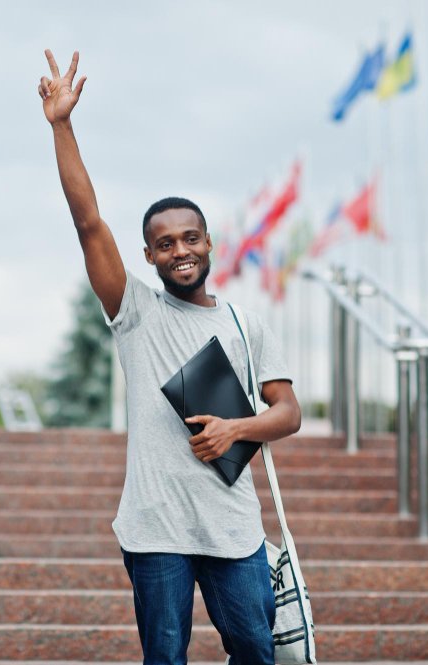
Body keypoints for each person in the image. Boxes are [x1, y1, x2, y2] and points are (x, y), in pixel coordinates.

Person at [38, 49, 301, 665]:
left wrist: (237, 427)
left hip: (234, 530)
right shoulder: (136, 313)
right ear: (150, 256)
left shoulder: (247, 323)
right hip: (156, 530)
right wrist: (62, 126)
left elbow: (287, 412)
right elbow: (88, 223)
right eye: (164, 244)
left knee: (258, 656)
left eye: (190, 238)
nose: (179, 250)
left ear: (210, 243)